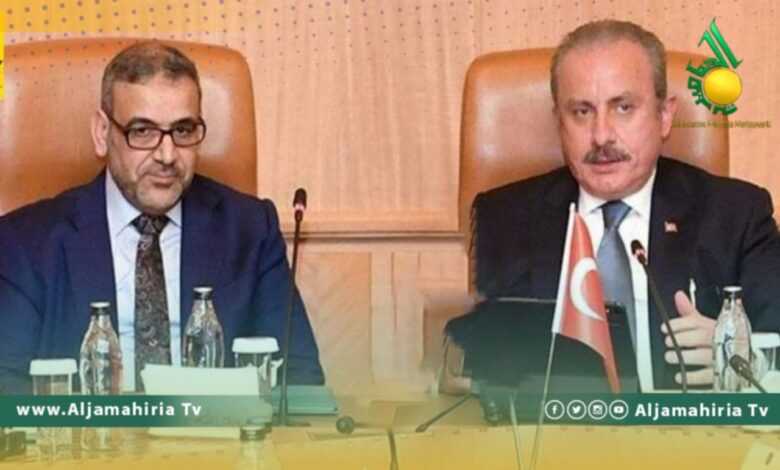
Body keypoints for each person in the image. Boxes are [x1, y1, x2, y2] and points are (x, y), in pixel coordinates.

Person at [445, 20, 780, 392]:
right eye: (582, 112)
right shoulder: (504, 219)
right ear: (559, 122)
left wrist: (747, 361)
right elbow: (484, 366)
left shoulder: (738, 215)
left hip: (687, 426)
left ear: (664, 116)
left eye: (623, 107)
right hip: (551, 426)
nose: (601, 136)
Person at [0, 42, 324, 393]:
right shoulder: (25, 243)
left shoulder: (251, 230)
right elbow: (6, 390)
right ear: (102, 133)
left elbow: (299, 381)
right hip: (85, 429)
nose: (167, 155)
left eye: (183, 131)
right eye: (142, 131)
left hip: (218, 429)